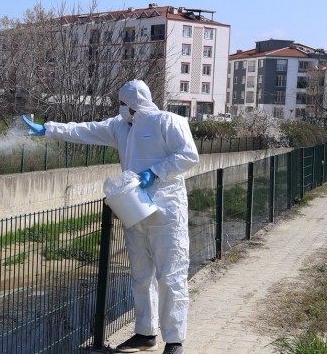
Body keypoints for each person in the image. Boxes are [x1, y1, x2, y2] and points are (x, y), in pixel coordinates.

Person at [22, 80, 198, 354]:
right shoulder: (120, 126)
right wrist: (48, 129)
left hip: (167, 210)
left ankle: (174, 341)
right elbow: (85, 130)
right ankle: (145, 332)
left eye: (124, 103)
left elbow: (188, 155)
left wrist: (156, 171)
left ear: (134, 103)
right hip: (134, 206)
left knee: (171, 275)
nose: (121, 108)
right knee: (141, 275)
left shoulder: (168, 121)